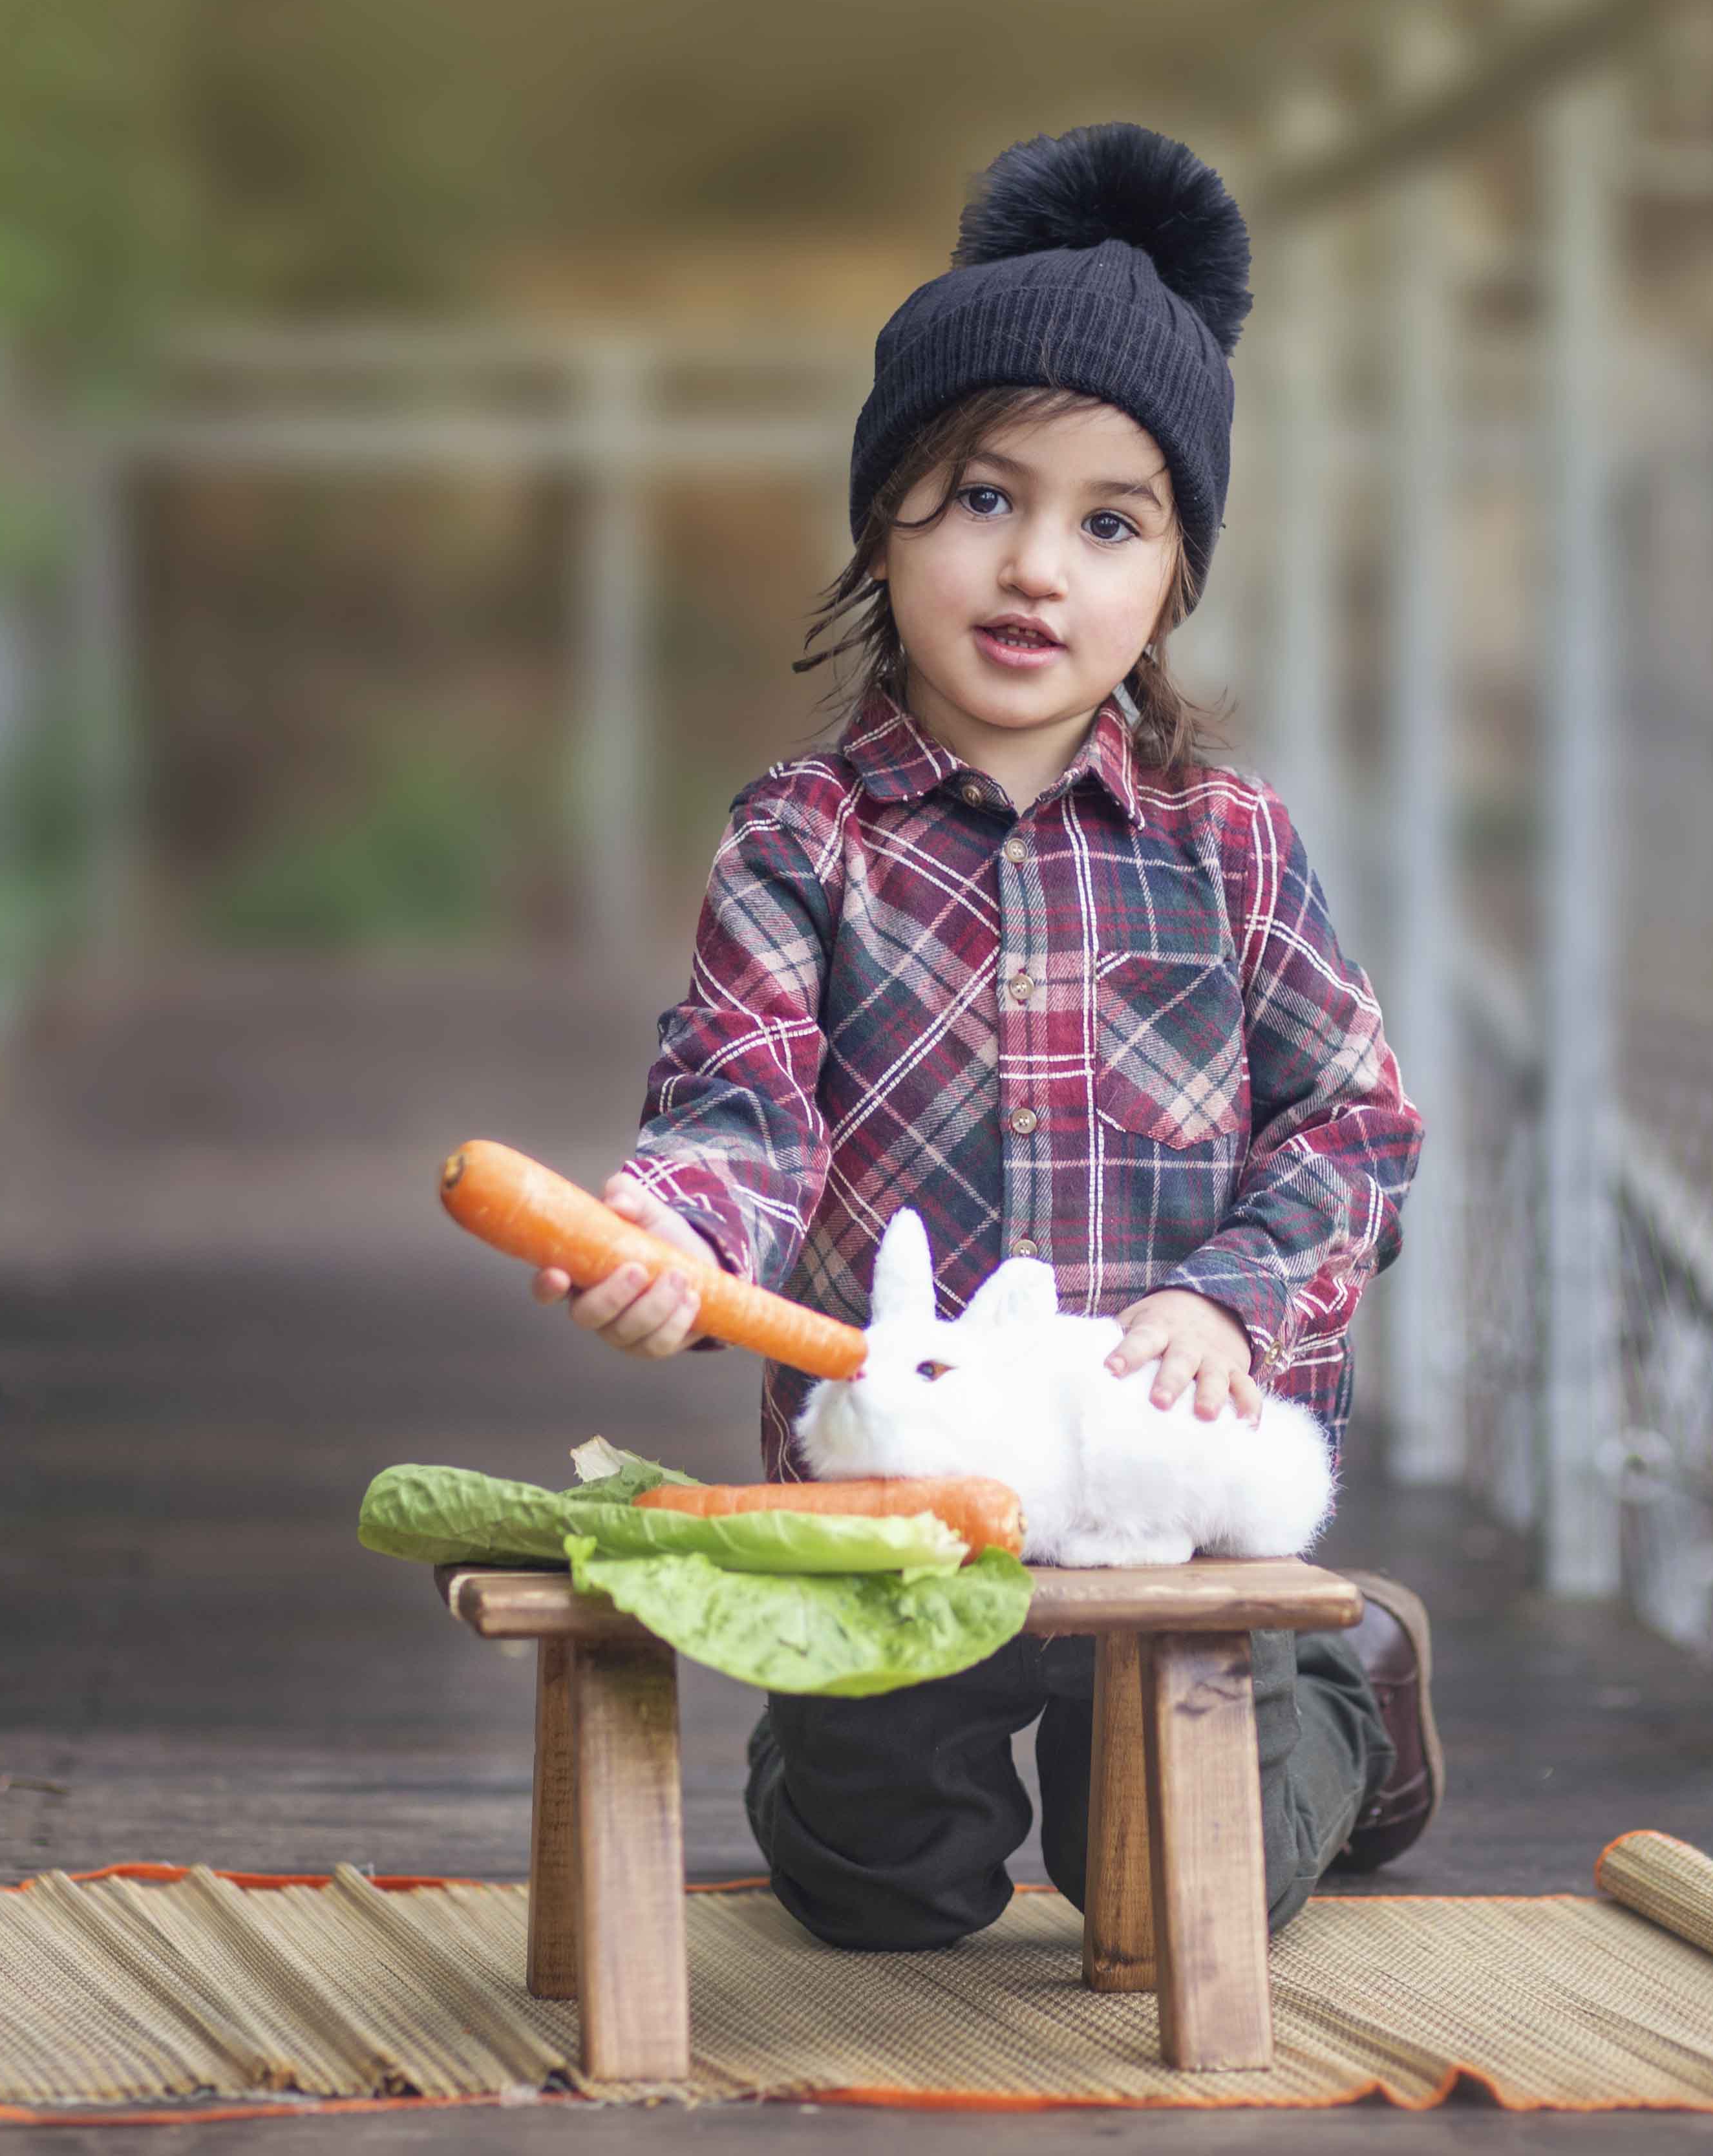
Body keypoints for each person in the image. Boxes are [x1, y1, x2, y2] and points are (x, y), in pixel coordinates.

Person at [522, 122, 1440, 1952]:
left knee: (1178, 1896)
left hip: (1155, 1519)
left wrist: (1235, 1307)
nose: (1040, 571)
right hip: (901, 1502)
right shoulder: (804, 843)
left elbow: (1351, 1131)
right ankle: (859, 1780)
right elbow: (742, 1100)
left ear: (1172, 577)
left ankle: (1350, 1695)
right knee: (876, 1890)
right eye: (984, 500)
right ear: (886, 520)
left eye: (1113, 522)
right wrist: (676, 1239)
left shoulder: (1229, 848)